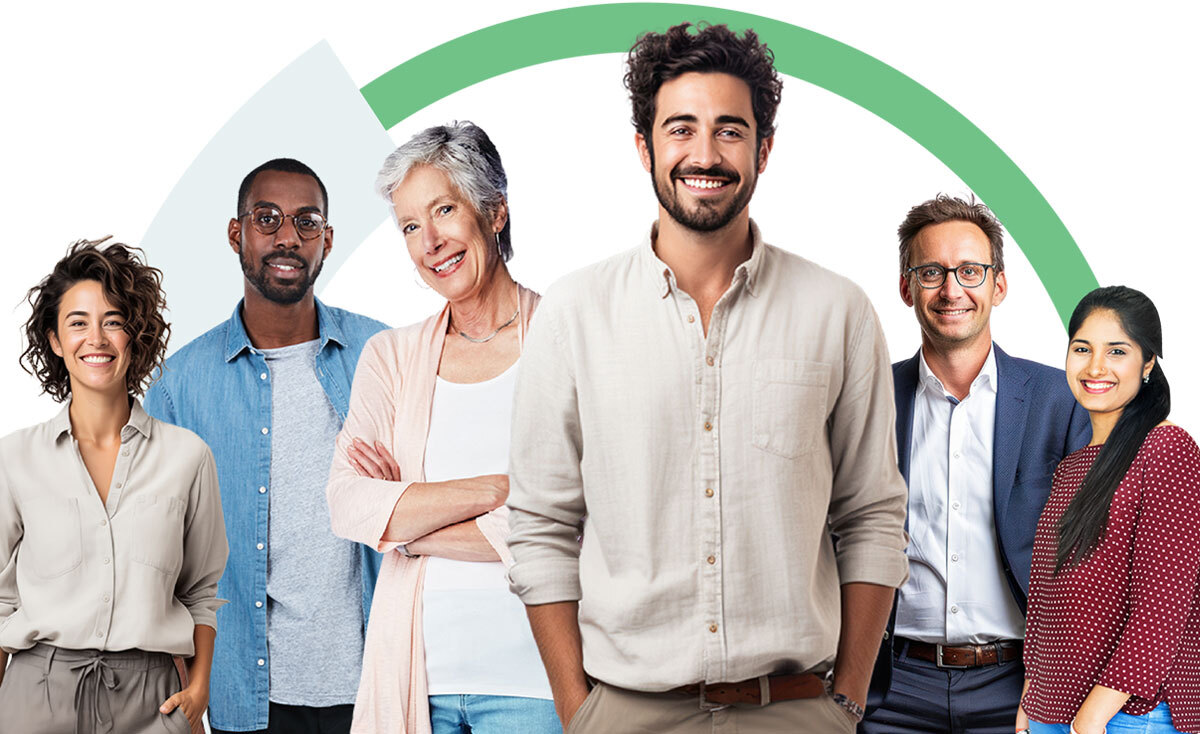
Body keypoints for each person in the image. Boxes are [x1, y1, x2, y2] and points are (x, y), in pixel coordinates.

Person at [505, 23, 909, 734]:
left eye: (730, 130)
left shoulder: (837, 312)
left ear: (764, 149)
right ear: (645, 147)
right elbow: (541, 526)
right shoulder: (574, 313)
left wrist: (844, 702)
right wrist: (579, 710)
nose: (705, 153)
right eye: (681, 128)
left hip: (795, 712)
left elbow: (872, 515)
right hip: (624, 712)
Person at [325, 121, 557, 734]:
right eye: (408, 226)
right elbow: (349, 504)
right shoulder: (390, 359)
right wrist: (499, 490)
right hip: (415, 687)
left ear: (495, 211)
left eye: (444, 210)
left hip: (536, 685)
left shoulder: (568, 339)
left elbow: (579, 525)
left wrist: (409, 528)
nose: (429, 241)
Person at [144, 159, 388, 734]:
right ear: (238, 234)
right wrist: (188, 686)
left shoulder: (381, 353)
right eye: (267, 218)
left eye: (307, 222)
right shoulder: (181, 383)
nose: (287, 237)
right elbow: (159, 556)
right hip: (244, 691)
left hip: (375, 683)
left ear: (327, 241)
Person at [861, 196, 1090, 733]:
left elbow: (1092, 554)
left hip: (1021, 687)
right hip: (893, 689)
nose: (951, 289)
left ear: (998, 285)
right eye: (931, 272)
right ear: (906, 287)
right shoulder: (868, 399)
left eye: (969, 270)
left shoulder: (1061, 401)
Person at [0, 239, 227, 734]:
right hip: (37, 696)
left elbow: (201, 590)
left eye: (114, 321)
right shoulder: (14, 457)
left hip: (156, 700)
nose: (96, 338)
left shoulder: (188, 456)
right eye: (77, 322)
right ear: (56, 341)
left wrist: (200, 689)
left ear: (135, 334)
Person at [1018, 286, 1200, 734]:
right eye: (1082, 349)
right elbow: (1047, 595)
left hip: (1128, 717)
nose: (1095, 367)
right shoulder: (1072, 467)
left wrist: (1093, 718)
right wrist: (1030, 700)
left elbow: (1164, 607)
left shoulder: (1167, 449)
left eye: (1117, 351)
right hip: (1051, 712)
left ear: (1149, 363)